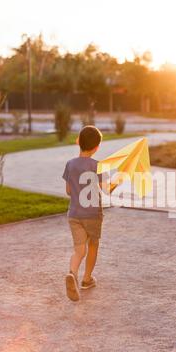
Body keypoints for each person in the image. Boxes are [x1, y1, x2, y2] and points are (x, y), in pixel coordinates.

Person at [62, 126, 105, 302]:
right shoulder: (98, 166)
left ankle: (72, 273)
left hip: (74, 214)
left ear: (78, 141)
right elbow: (105, 189)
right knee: (93, 245)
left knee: (79, 250)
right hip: (93, 214)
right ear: (97, 147)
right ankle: (87, 279)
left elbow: (68, 191)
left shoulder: (70, 164)